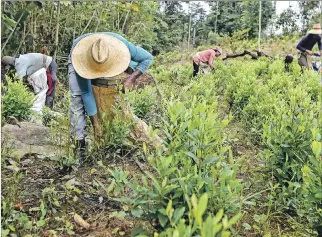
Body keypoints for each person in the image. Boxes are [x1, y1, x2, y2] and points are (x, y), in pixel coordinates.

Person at [68, 32, 153, 163]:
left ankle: (115, 131)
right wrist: (96, 124)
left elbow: (148, 58)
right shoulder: (79, 58)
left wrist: (131, 78)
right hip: (80, 56)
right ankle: (79, 148)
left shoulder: (122, 46)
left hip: (112, 54)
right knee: (77, 100)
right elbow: (86, 93)